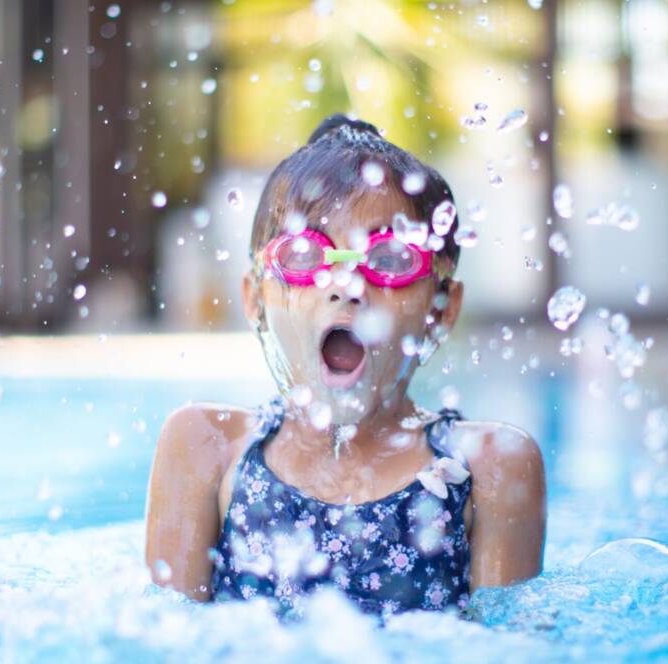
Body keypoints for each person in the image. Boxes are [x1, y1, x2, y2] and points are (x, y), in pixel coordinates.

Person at [144, 113, 546, 619]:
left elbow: (508, 651)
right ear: (254, 298)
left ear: (441, 308)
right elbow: (165, 643)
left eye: (392, 260)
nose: (346, 285)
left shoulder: (489, 464)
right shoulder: (206, 447)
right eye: (304, 255)